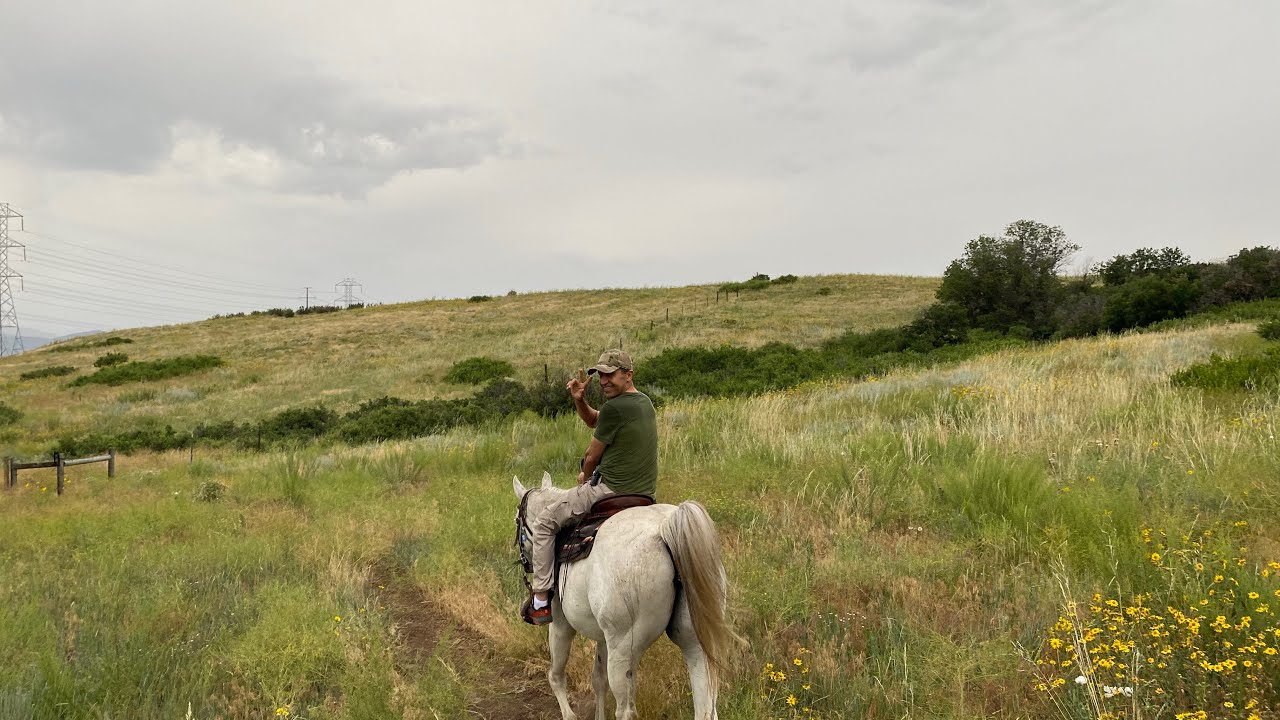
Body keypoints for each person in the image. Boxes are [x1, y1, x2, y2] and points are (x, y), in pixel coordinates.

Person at [523, 349, 659, 625]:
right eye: (601, 375)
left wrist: (584, 476)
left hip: (610, 490)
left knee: (545, 522)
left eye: (611, 374)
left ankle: (540, 601)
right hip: (645, 493)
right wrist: (580, 400)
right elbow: (594, 420)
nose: (604, 380)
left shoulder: (616, 408)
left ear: (628, 374)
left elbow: (591, 454)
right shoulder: (643, 402)